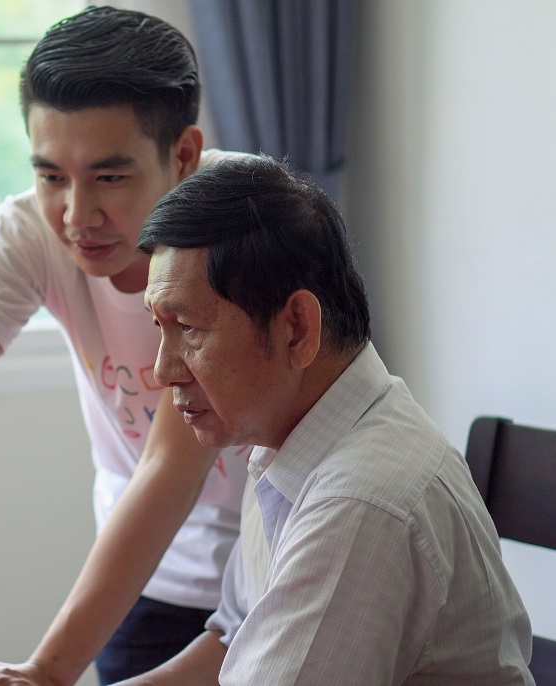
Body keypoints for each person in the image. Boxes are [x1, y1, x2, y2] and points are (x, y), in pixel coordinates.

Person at [0, 6, 249, 685]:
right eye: (51, 175)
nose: (76, 215)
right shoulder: (29, 230)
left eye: (109, 178)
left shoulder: (245, 227)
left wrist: (48, 671)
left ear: (184, 154)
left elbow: (172, 469)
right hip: (145, 578)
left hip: (275, 567)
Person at [110, 153, 535, 684]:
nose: (163, 369)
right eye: (159, 327)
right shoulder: (282, 438)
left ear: (296, 327)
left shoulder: (363, 503)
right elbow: (233, 640)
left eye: (190, 328)